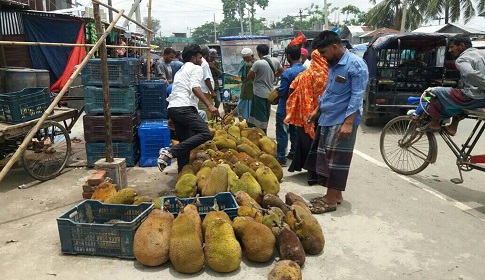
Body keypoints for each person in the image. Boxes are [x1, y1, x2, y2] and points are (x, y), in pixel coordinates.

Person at [306, 31, 369, 213]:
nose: (323, 57)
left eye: (324, 52)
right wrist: (317, 110)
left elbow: (357, 96)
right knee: (327, 159)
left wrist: (348, 123)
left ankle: (330, 200)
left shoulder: (356, 65)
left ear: (335, 47)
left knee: (336, 161)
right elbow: (329, 91)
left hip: (342, 121)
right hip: (328, 118)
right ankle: (336, 195)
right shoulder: (333, 65)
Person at [157, 44, 219, 173]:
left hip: (174, 108)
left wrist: (172, 116)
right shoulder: (196, 68)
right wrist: (210, 105)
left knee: (184, 145)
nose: (202, 60)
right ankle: (170, 152)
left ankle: (182, 173)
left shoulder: (181, 70)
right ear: (193, 58)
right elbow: (195, 87)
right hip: (185, 108)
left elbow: (175, 91)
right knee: (205, 133)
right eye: (200, 57)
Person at [426, 35, 485, 136]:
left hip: (473, 97)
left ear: (461, 46)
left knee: (433, 92)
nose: (449, 50)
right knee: (456, 94)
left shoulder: (461, 59)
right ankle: (452, 127)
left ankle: (434, 123)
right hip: (482, 98)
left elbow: (470, 74)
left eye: (451, 47)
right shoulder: (482, 53)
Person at [285, 49, 328, 181]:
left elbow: (291, 88)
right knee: (323, 143)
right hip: (325, 114)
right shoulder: (329, 74)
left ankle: (311, 172)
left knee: (307, 143)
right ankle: (322, 171)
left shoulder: (305, 74)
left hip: (306, 114)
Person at [276, 45, 306, 167]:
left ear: (288, 56)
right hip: (299, 107)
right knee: (294, 131)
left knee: (282, 131)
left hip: (286, 107)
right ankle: (293, 153)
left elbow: (283, 91)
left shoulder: (287, 72)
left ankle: (281, 158)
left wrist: (277, 92)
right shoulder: (305, 70)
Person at [246, 44, 283, 134]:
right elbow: (281, 71)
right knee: (266, 112)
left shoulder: (258, 63)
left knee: (260, 114)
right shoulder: (275, 61)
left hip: (259, 93)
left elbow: (249, 76)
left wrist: (257, 77)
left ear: (259, 53)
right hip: (270, 94)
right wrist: (273, 76)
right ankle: (255, 131)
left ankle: (262, 133)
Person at [198, 45, 217, 120]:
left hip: (201, 91)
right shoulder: (204, 63)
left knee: (202, 110)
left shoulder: (200, 61)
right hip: (205, 92)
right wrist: (212, 92)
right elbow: (207, 79)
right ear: (207, 54)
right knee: (207, 111)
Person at [237, 47, 256, 120]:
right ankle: (243, 120)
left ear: (252, 56)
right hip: (245, 88)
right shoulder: (243, 63)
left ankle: (250, 121)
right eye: (244, 58)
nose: (245, 60)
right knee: (241, 105)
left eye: (247, 58)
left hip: (253, 88)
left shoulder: (256, 63)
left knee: (251, 106)